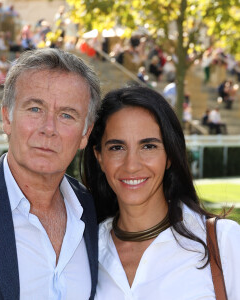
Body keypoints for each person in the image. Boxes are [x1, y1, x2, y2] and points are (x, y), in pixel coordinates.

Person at [0, 48, 101, 299]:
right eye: (35, 109)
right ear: (7, 117)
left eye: (67, 115)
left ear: (85, 134)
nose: (49, 128)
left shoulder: (94, 210)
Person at [82, 86, 240, 299]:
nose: (131, 165)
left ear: (170, 155)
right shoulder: (83, 252)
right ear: (99, 157)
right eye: (117, 148)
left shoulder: (223, 242)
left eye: (148, 146)